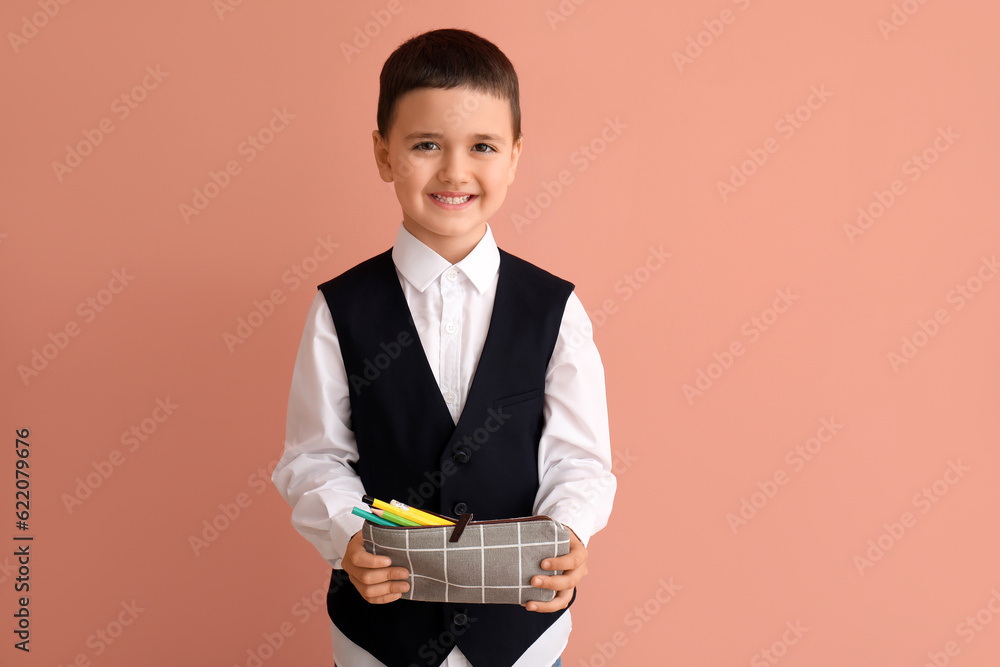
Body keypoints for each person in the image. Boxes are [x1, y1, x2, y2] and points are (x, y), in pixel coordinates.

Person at [271, 28, 615, 667]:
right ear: (383, 155)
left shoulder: (554, 309)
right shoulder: (340, 308)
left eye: (482, 146)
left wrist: (566, 531)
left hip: (521, 638)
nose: (455, 171)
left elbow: (578, 459)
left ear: (514, 155)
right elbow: (313, 457)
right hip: (380, 639)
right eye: (426, 144)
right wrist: (351, 539)